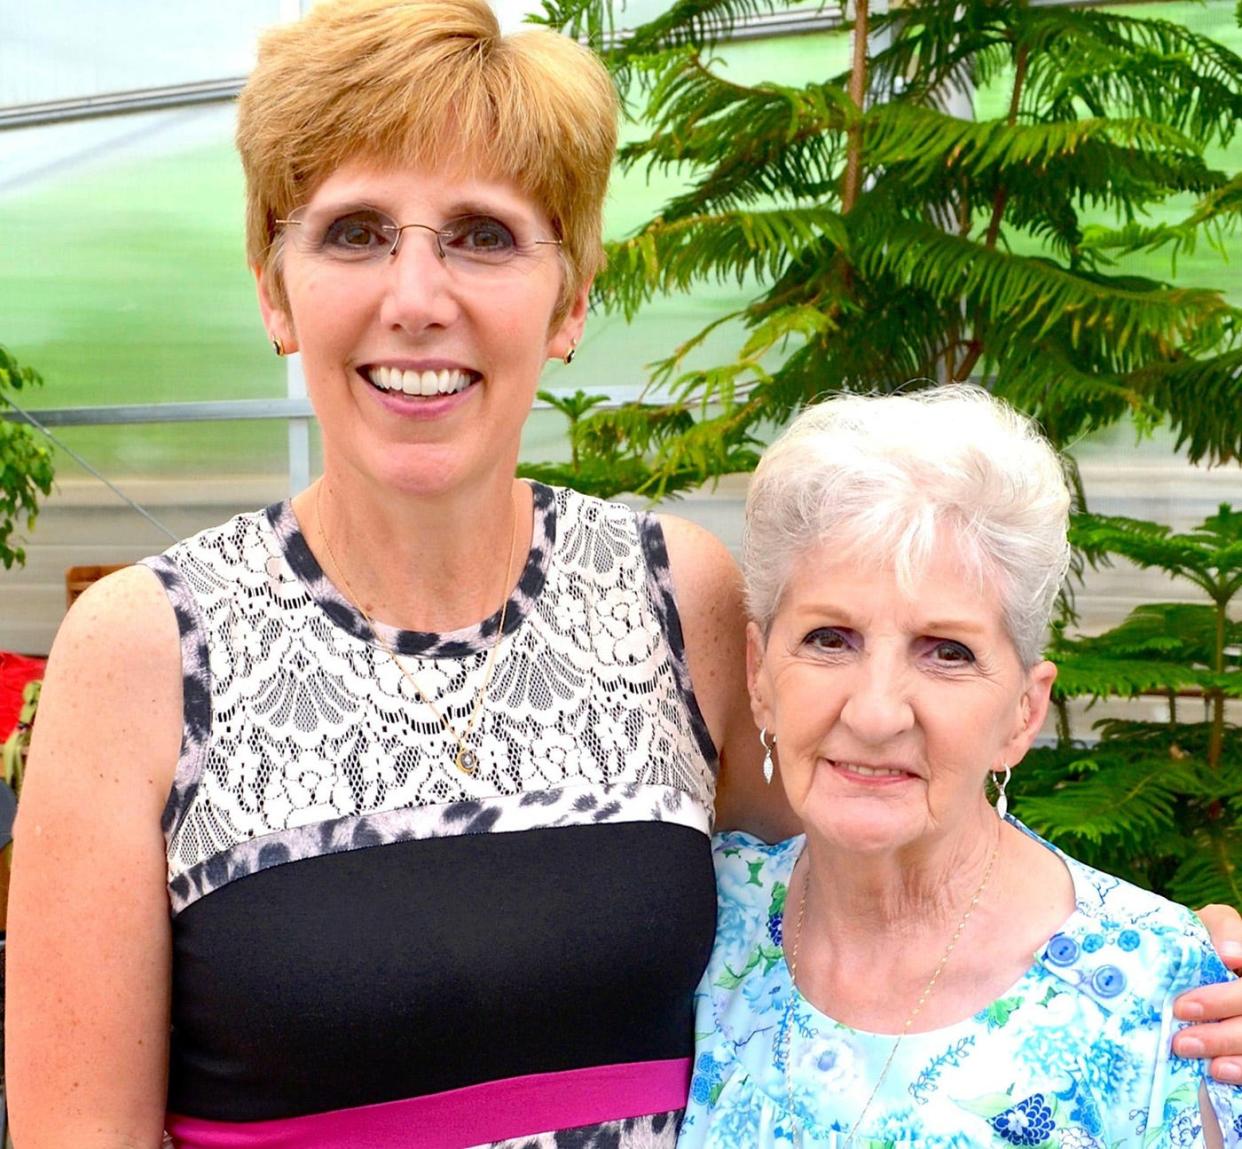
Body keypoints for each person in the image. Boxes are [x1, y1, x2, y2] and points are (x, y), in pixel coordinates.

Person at [5, 4, 1241, 1147]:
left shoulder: (671, 597)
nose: (418, 297)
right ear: (277, 289)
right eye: (356, 232)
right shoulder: (147, 651)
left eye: (485, 235)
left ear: (571, 298)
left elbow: (885, 830)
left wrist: (1156, 960)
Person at [679, 387, 1242, 1148]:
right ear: (758, 676)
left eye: (947, 651)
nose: (877, 712)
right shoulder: (700, 923)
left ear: (1023, 711)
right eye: (829, 638)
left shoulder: (1158, 995)